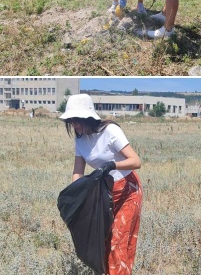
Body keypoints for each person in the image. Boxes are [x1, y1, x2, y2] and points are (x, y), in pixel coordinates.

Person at [60, 94, 143, 275]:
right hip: (104, 195)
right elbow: (78, 172)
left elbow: (136, 161)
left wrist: (113, 165)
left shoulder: (110, 131)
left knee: (118, 244)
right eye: (70, 120)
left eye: (76, 120)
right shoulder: (80, 141)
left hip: (128, 191)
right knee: (102, 242)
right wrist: (78, 196)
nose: (73, 124)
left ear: (87, 118)